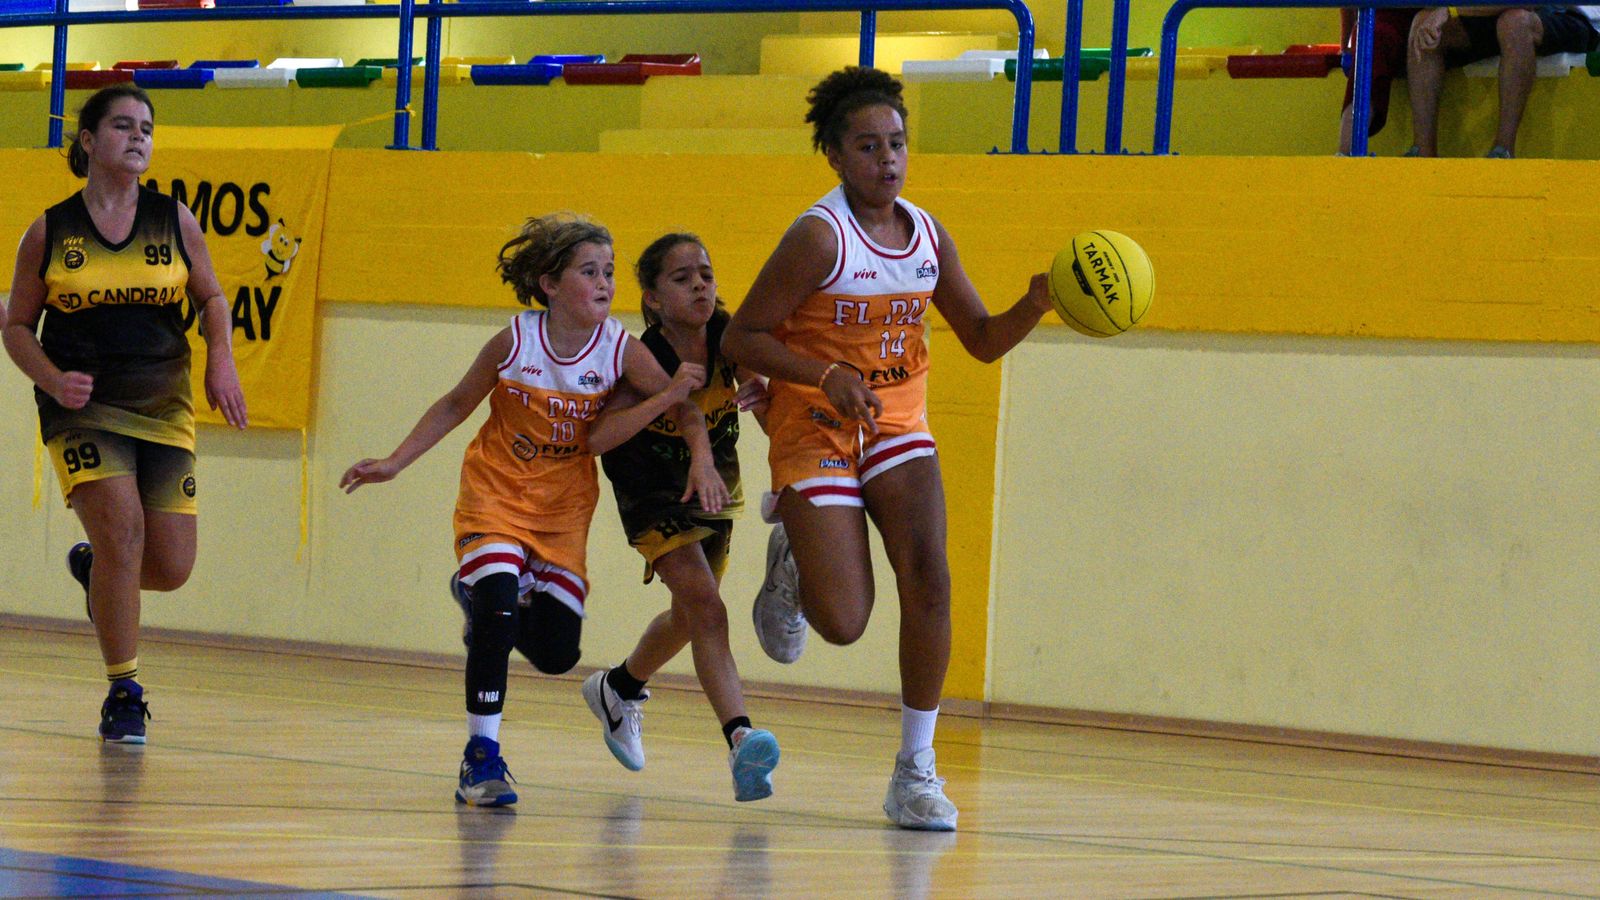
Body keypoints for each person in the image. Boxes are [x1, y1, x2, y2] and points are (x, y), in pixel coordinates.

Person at [721, 66, 1054, 831]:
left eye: (897, 144)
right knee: (843, 622)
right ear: (835, 156)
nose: (887, 160)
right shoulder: (818, 236)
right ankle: (796, 558)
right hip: (816, 420)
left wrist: (1036, 305)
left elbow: (979, 340)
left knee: (931, 577)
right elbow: (743, 336)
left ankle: (914, 771)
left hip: (898, 423)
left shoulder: (928, 232)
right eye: (868, 147)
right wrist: (824, 374)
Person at [339, 213, 723, 808]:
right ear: (550, 284)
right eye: (589, 272)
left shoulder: (620, 349)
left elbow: (685, 408)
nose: (604, 284)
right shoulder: (515, 341)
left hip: (563, 512)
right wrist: (395, 461)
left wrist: (699, 454)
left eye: (609, 273)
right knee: (496, 613)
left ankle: (480, 600)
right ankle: (481, 759)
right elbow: (455, 404)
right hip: (495, 494)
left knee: (556, 653)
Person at [1, 83, 248, 745]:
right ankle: (125, 690)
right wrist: (52, 378)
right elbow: (17, 326)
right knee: (123, 529)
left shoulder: (175, 220)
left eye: (146, 126)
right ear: (88, 140)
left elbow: (213, 298)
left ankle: (96, 570)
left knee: (169, 566)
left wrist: (221, 357)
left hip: (165, 401)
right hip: (79, 407)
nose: (138, 136)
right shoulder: (49, 231)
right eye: (121, 125)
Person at [585, 233, 781, 803]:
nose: (700, 283)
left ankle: (618, 688)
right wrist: (669, 407)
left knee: (692, 613)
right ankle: (740, 737)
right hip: (650, 489)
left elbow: (768, 406)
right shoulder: (642, 358)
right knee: (707, 604)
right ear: (651, 298)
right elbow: (602, 438)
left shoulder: (732, 336)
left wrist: (777, 438)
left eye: (706, 272)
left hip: (713, 485)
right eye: (681, 277)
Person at [1406, 5, 1600, 158]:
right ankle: (1423, 151)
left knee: (1515, 22)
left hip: (1572, 16)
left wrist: (1451, 10)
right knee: (1422, 22)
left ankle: (1503, 150)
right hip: (1496, 13)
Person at [1338, 7, 1422, 154]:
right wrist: (1345, 47)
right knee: (1370, 37)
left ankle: (1423, 149)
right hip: (1380, 21)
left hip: (1429, 16)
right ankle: (1346, 151)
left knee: (1372, 36)